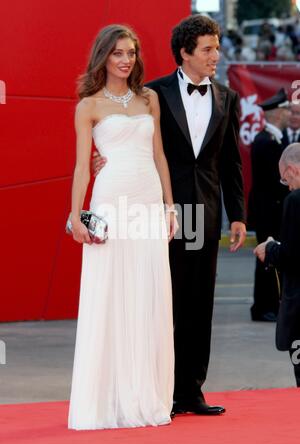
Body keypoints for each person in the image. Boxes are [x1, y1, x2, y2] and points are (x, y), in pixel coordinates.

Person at [93, 15, 246, 416]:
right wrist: (102, 160)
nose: (216, 56)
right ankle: (158, 389)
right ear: (185, 53)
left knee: (198, 302)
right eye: (208, 49)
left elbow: (231, 162)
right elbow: (125, 135)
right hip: (158, 210)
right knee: (162, 299)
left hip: (203, 213)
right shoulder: (152, 93)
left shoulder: (228, 97)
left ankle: (190, 391)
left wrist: (238, 215)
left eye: (217, 48)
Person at [68, 24, 178, 430]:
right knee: (111, 294)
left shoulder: (150, 98)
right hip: (112, 204)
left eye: (130, 52)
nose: (125, 59)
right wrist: (75, 214)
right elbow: (83, 165)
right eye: (117, 53)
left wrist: (171, 207)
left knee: (147, 294)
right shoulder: (89, 105)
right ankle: (106, 400)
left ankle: (143, 396)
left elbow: (160, 156)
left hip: (148, 203)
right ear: (103, 57)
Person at [254, 143, 300, 387]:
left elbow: (292, 256)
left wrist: (270, 249)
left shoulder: (295, 200)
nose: (287, 186)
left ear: (292, 170)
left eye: (285, 180)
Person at [248, 89, 290, 322]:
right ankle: (263, 306)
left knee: (271, 258)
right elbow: (274, 182)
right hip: (268, 211)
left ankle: (270, 304)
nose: (288, 115)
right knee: (266, 258)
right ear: (276, 114)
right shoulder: (266, 141)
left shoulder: (275, 139)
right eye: (285, 110)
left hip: (272, 210)